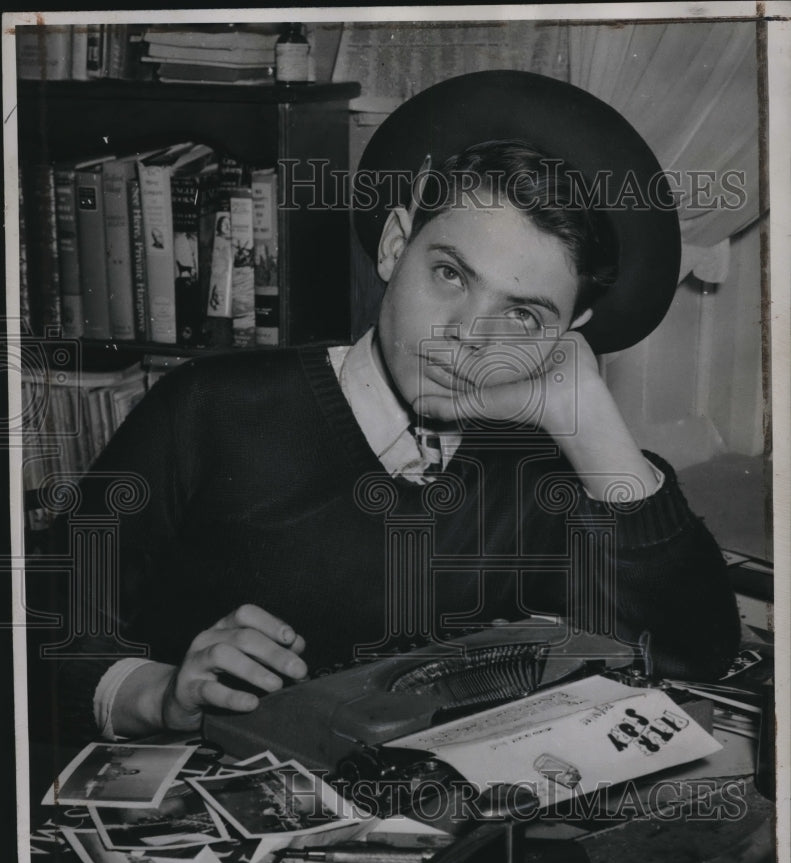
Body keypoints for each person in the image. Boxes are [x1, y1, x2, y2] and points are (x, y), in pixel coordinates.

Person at [32, 71, 739, 747]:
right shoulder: (214, 407)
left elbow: (690, 652)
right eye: (449, 274)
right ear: (395, 245)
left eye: (522, 316)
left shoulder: (538, 464)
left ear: (567, 332)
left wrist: (594, 431)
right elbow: (36, 626)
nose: (467, 334)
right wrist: (157, 694)